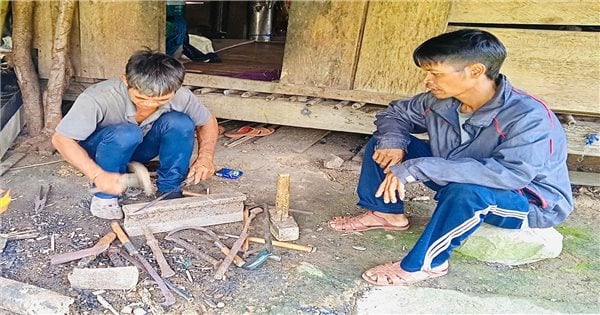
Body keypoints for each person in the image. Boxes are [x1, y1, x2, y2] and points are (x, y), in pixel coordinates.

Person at [328, 29, 573, 286]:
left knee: (468, 192)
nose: (427, 81)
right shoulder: (441, 101)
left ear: (475, 71)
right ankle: (386, 214)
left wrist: (419, 167)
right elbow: (396, 114)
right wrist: (393, 142)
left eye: (436, 73)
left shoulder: (528, 116)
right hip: (458, 175)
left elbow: (511, 175)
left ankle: (427, 264)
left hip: (527, 200)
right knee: (385, 144)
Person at [52, 49, 219, 220]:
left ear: (176, 88)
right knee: (127, 133)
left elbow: (207, 121)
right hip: (101, 151)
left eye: (161, 100)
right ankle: (105, 197)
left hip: (139, 149)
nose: (149, 104)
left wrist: (205, 157)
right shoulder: (98, 97)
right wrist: (96, 174)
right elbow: (61, 139)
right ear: (125, 80)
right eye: (141, 98)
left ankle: (170, 189)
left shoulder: (182, 96)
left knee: (180, 122)